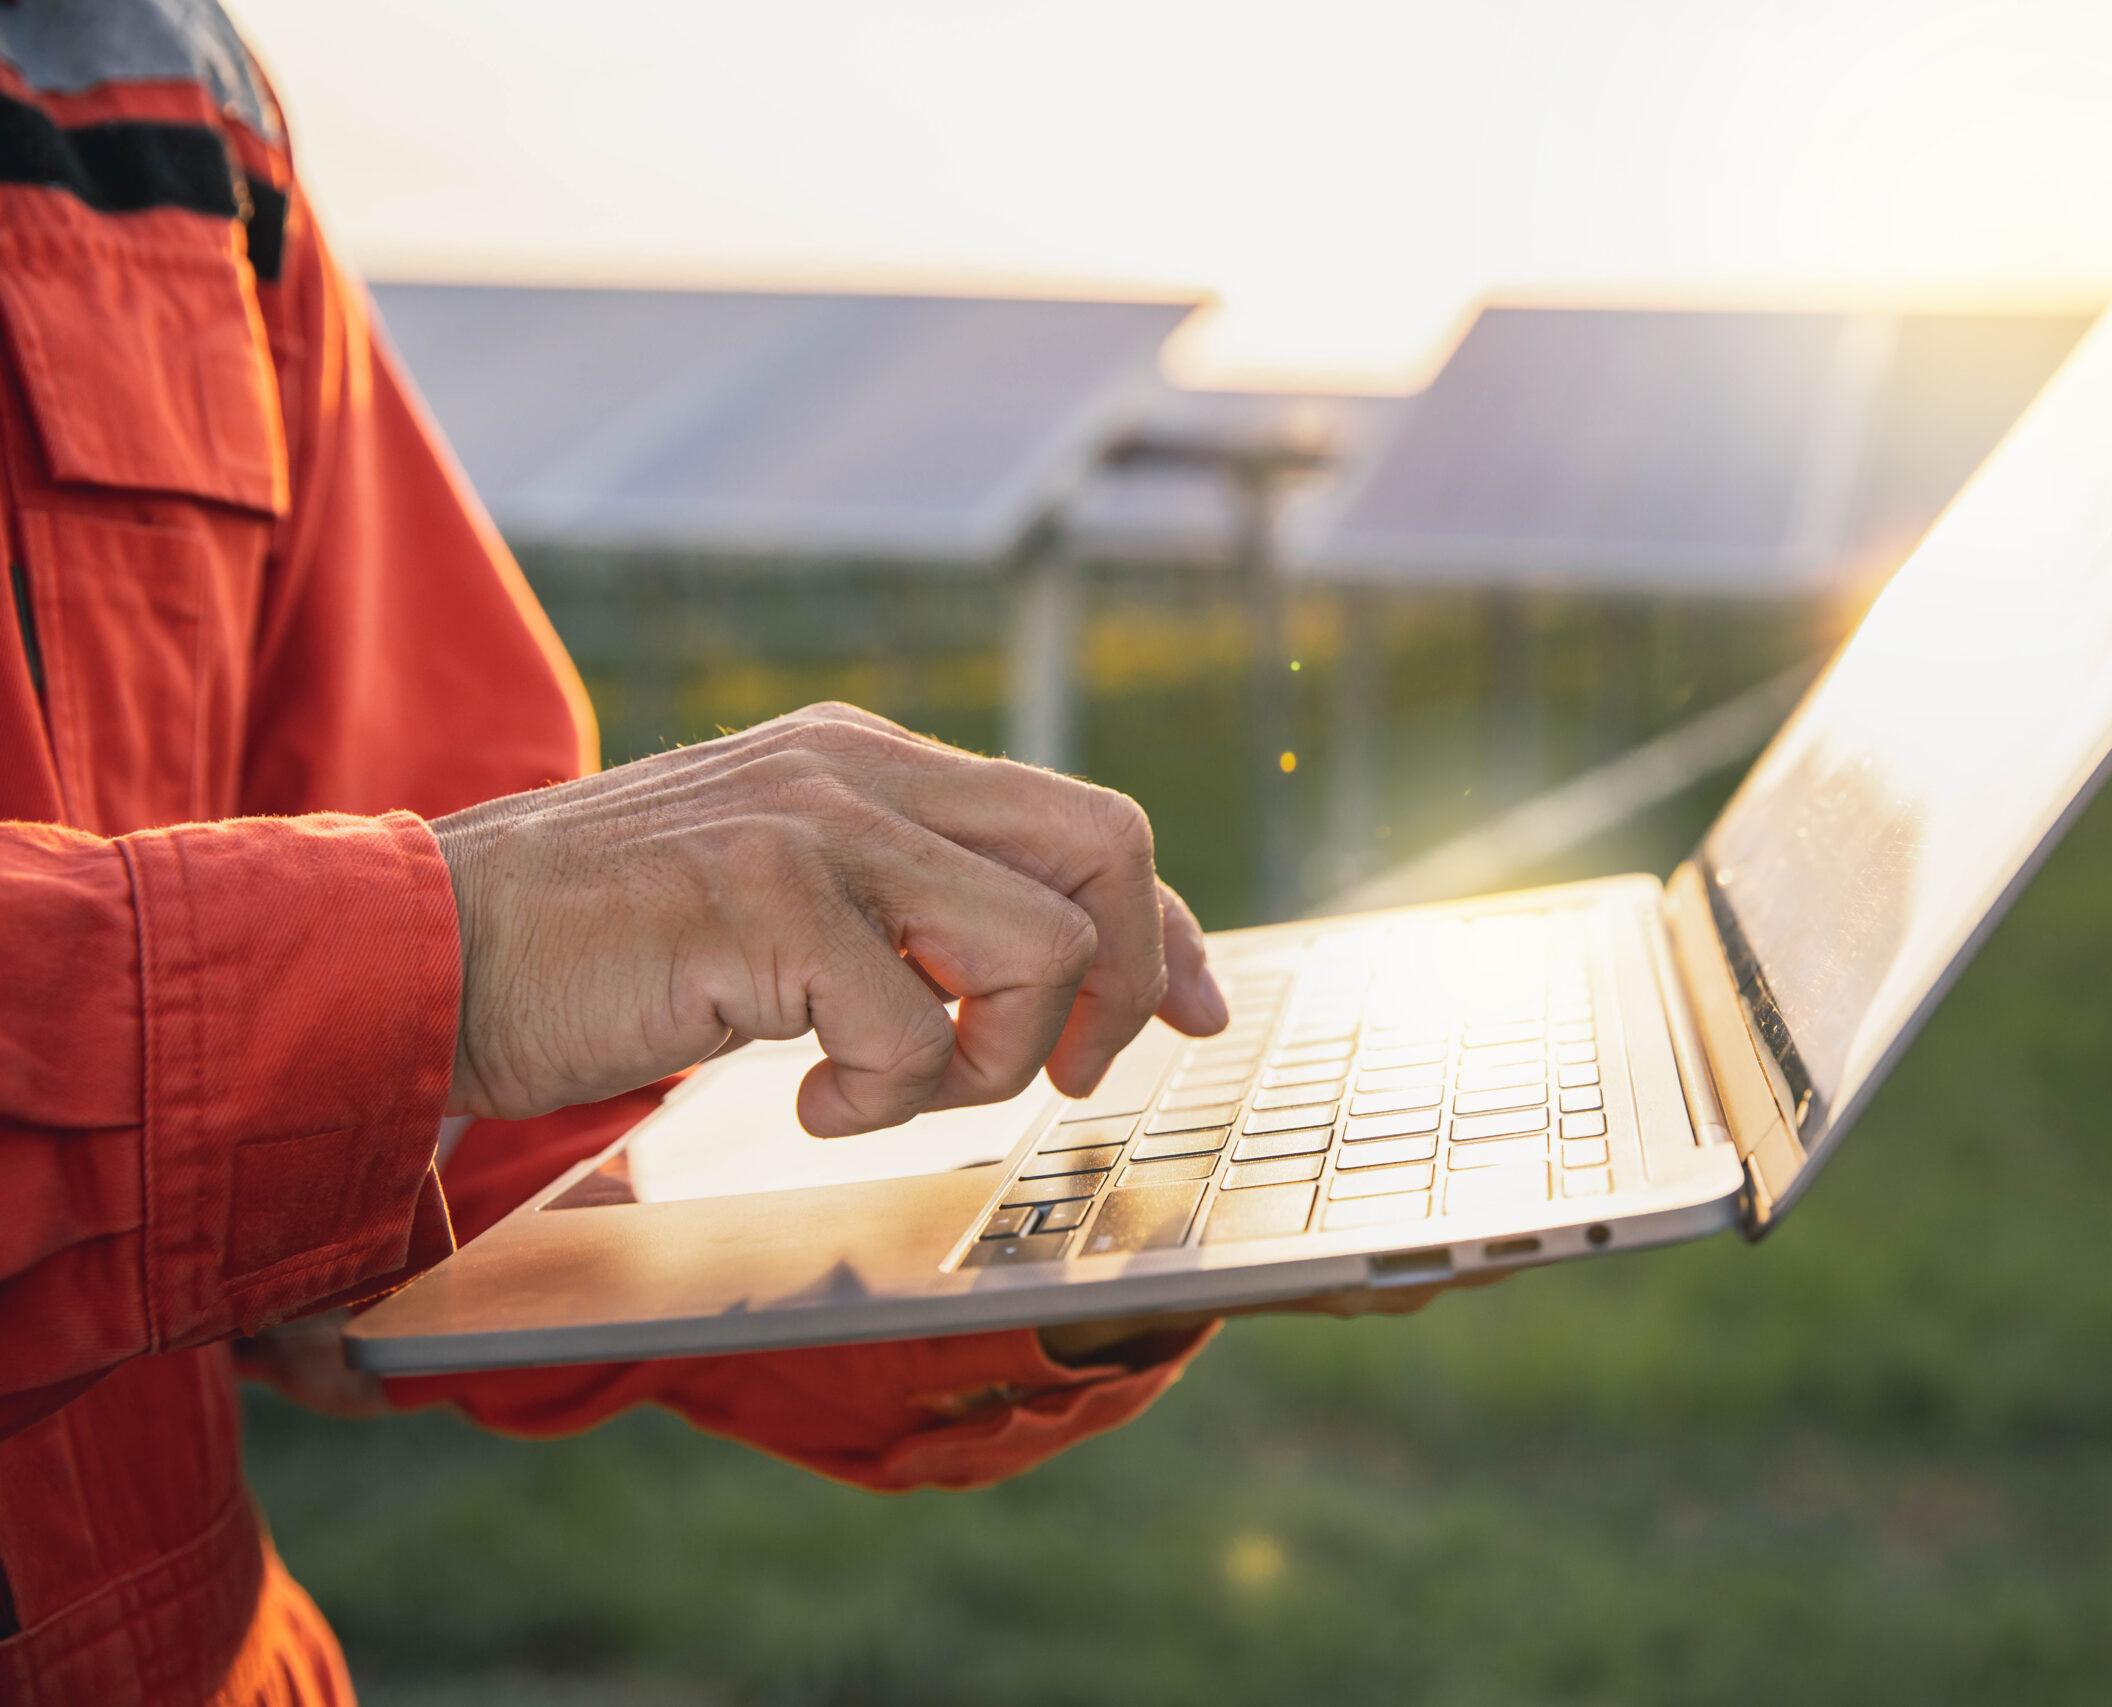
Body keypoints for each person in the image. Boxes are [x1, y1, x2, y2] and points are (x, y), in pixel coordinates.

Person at [0, 6, 1460, 1702]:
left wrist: (1105, 1216)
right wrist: (455, 958)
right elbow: (430, 964)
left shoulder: (155, 80)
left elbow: (487, 1124)